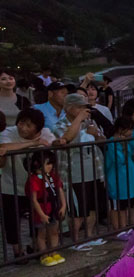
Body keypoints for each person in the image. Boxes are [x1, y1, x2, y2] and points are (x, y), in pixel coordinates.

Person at [52, 93, 106, 246]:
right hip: (73, 173)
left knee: (93, 205)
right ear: (69, 108)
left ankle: (90, 236)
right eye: (80, 107)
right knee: (78, 210)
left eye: (85, 107)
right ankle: (76, 240)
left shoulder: (88, 122)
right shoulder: (59, 125)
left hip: (94, 169)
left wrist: (96, 135)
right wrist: (78, 120)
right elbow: (66, 138)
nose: (84, 110)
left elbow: (102, 140)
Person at [0, 108, 53, 258]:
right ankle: (17, 251)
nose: (23, 128)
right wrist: (34, 144)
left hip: (36, 187)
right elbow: (3, 148)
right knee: (11, 220)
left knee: (38, 217)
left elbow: (52, 144)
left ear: (38, 128)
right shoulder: (8, 132)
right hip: (11, 185)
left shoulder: (46, 132)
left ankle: (36, 246)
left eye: (29, 125)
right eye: (21, 123)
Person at [26, 149, 67, 267]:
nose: (51, 166)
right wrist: (41, 214)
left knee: (54, 231)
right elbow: (34, 199)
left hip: (53, 208)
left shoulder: (53, 176)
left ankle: (54, 251)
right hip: (41, 210)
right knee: (42, 234)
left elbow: (60, 191)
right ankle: (44, 255)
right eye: (48, 163)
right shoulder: (34, 179)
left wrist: (63, 206)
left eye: (52, 163)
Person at [105, 116, 134, 230]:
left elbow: (132, 155)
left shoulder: (126, 142)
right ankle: (119, 229)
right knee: (118, 207)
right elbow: (120, 160)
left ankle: (128, 227)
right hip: (116, 180)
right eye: (130, 129)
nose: (131, 132)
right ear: (121, 129)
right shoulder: (112, 143)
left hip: (128, 180)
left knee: (127, 205)